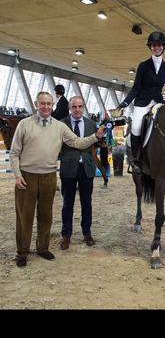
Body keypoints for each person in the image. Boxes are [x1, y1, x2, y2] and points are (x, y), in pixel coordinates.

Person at [9, 92, 106, 267]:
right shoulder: (25, 124)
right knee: (25, 216)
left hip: (49, 176)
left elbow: (77, 142)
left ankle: (42, 248)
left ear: (53, 104)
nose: (46, 107)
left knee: (46, 216)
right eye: (42, 103)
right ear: (36, 104)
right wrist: (17, 174)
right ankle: (22, 252)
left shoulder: (59, 127)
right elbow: (14, 153)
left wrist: (95, 137)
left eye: (49, 103)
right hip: (27, 176)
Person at [117, 31, 165, 174]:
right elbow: (136, 87)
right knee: (136, 127)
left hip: (158, 103)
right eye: (154, 45)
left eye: (159, 45)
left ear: (163, 47)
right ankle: (136, 161)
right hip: (142, 102)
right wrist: (124, 103)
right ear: (150, 47)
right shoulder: (143, 66)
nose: (157, 47)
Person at [59, 96, 103, 250]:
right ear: (70, 108)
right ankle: (66, 234)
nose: (77, 110)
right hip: (68, 169)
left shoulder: (91, 124)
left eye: (80, 106)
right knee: (67, 204)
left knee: (87, 203)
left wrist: (102, 142)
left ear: (83, 107)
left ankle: (87, 232)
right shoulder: (62, 124)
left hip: (86, 169)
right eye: (74, 107)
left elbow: (95, 142)